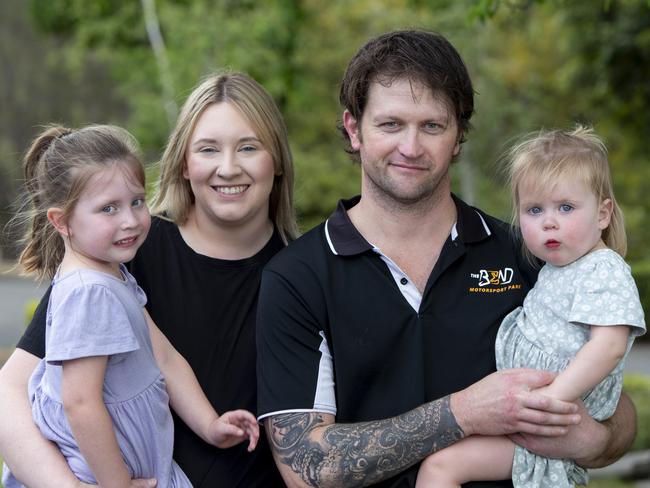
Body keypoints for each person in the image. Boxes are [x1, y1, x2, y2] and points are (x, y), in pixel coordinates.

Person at [255, 30, 637, 487]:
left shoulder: (530, 252)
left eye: (432, 126)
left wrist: (591, 442)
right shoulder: (298, 276)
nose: (411, 147)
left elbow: (615, 409)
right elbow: (305, 468)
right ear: (355, 129)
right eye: (391, 124)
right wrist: (463, 413)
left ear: (458, 136)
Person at [0, 72, 296, 487]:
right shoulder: (124, 254)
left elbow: (166, 358)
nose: (228, 168)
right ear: (183, 163)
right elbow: (13, 394)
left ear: (277, 159)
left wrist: (212, 424)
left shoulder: (304, 273)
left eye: (249, 147)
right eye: (208, 149)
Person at [416, 126, 645, 487]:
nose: (549, 221)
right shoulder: (558, 268)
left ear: (603, 214)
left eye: (566, 207)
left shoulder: (604, 269)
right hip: (530, 413)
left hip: (547, 416)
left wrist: (551, 401)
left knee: (440, 468)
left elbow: (610, 346)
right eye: (534, 209)